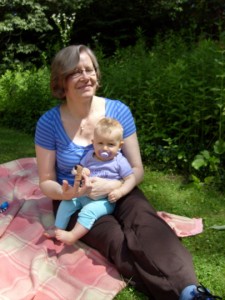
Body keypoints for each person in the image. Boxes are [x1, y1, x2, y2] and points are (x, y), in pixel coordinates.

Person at [35, 44, 221, 300]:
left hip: (120, 189)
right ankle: (180, 293)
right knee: (115, 240)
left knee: (147, 225)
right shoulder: (48, 123)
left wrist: (116, 187)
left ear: (97, 76)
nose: (85, 76)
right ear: (61, 80)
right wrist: (68, 193)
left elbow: (137, 169)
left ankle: (191, 291)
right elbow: (45, 181)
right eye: (76, 72)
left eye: (90, 69)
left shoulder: (118, 111)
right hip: (75, 201)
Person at [45, 117, 136, 245]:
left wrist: (120, 191)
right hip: (85, 193)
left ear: (119, 145)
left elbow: (131, 178)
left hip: (104, 201)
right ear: (93, 142)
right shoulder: (89, 156)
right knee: (67, 203)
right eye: (100, 143)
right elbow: (78, 168)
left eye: (110, 144)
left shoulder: (119, 161)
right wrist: (81, 171)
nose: (104, 148)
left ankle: (73, 235)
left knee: (88, 211)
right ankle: (58, 228)